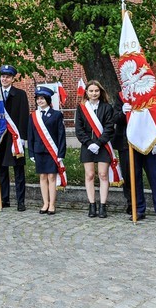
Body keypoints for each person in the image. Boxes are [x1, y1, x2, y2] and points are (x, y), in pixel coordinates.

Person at [0, 65, 29, 211]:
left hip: (14, 137)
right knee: (1, 169)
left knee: (18, 170)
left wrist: (23, 138)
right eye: (2, 76)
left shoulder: (20, 94)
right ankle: (3, 199)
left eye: (7, 77)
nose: (4, 79)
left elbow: (24, 117)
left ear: (12, 79)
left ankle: (20, 201)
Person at [74, 80, 116, 218]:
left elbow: (109, 127)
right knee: (90, 175)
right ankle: (92, 205)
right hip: (87, 146)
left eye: (96, 91)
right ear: (86, 92)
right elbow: (79, 129)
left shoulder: (107, 107)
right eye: (91, 91)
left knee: (103, 175)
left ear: (100, 92)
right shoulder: (81, 108)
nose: (94, 93)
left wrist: (98, 143)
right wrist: (88, 143)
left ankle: (103, 205)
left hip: (102, 145)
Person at [27, 86, 66, 215]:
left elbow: (61, 135)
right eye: (38, 99)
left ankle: (52, 204)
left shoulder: (56, 115)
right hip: (39, 151)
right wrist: (31, 152)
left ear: (48, 100)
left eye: (42, 98)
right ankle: (45, 203)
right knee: (42, 177)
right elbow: (30, 135)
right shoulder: (33, 116)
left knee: (51, 177)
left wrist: (61, 153)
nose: (40, 101)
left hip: (52, 151)